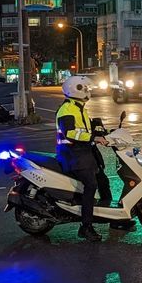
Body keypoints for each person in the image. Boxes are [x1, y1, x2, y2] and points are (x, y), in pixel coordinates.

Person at [56, 76, 133, 242]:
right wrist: (93, 138)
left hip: (83, 151)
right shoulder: (67, 110)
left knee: (103, 180)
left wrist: (106, 133)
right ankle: (85, 227)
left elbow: (86, 128)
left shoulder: (79, 107)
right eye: (86, 89)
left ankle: (113, 218)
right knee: (91, 185)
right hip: (72, 154)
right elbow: (70, 133)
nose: (88, 92)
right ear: (77, 89)